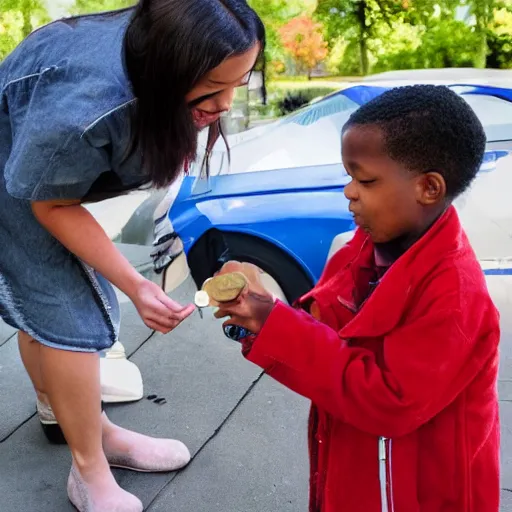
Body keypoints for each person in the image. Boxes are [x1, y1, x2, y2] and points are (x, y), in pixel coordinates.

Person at [0, 1, 265, 510]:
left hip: (38, 160)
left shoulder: (166, 48)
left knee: (49, 311)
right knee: (68, 314)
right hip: (14, 170)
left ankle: (89, 426)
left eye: (241, 80)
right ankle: (88, 471)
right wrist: (135, 284)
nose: (227, 103)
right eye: (213, 87)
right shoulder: (86, 109)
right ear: (168, 66)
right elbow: (51, 202)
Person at [215, 85, 500, 511]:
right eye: (349, 176)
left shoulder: (455, 295)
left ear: (428, 188)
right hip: (360, 468)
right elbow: (326, 327)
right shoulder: (362, 249)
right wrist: (260, 309)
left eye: (365, 180)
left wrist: (273, 322)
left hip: (422, 492)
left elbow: (390, 401)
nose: (350, 191)